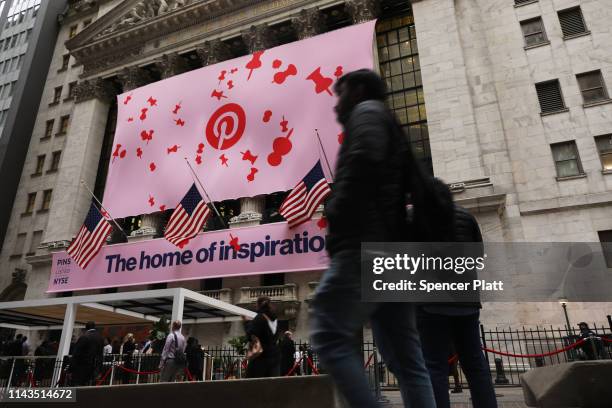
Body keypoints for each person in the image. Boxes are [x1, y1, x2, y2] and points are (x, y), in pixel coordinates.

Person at [310, 69, 442, 408]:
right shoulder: (386, 121)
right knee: (406, 360)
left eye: (340, 94)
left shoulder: (367, 113)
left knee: (328, 333)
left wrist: (336, 209)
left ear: (356, 92)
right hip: (391, 249)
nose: (336, 103)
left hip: (365, 246)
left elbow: (362, 166)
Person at [417, 205, 497, 408]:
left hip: (431, 301)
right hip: (466, 300)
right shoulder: (467, 216)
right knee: (475, 363)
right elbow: (478, 257)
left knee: (434, 366)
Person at [244, 296, 280, 378]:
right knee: (271, 385)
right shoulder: (275, 319)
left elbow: (250, 335)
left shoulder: (260, 317)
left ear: (259, 305)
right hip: (274, 356)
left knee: (252, 383)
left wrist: (246, 322)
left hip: (262, 357)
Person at [70, 321, 104, 386]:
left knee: (77, 386)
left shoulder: (84, 337)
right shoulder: (100, 338)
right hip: (94, 367)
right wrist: (99, 369)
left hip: (81, 367)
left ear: (86, 327)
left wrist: (71, 367)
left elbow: (76, 353)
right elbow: (100, 354)